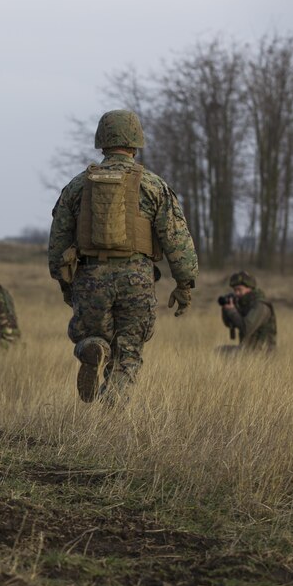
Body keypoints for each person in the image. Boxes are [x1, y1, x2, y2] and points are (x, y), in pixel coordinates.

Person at [48, 109, 198, 402]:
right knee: (129, 352)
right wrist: (184, 284)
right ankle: (110, 415)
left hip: (91, 277)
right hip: (137, 278)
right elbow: (177, 239)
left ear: (101, 141)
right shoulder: (153, 185)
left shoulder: (78, 186)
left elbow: (57, 243)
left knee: (89, 336)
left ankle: (95, 349)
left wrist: (67, 285)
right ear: (135, 142)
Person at [219, 271, 277, 352]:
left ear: (250, 288)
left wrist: (232, 312)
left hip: (262, 352)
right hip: (249, 349)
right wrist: (226, 310)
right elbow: (229, 324)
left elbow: (246, 328)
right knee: (220, 351)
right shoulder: (244, 304)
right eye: (235, 290)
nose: (236, 293)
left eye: (239, 289)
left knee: (222, 352)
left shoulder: (260, 305)